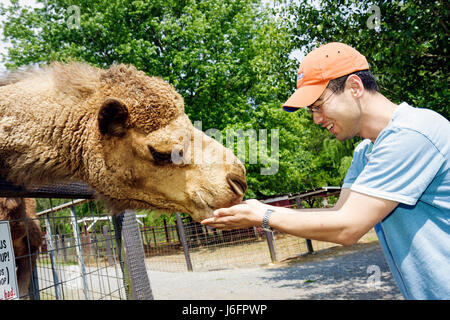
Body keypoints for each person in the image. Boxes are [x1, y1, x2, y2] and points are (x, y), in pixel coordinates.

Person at [201, 42, 450, 300]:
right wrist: (258, 210)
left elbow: (347, 229)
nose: (316, 119)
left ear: (355, 87)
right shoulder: (366, 152)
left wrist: (262, 214)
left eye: (319, 105)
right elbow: (338, 215)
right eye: (311, 110)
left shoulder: (412, 134)